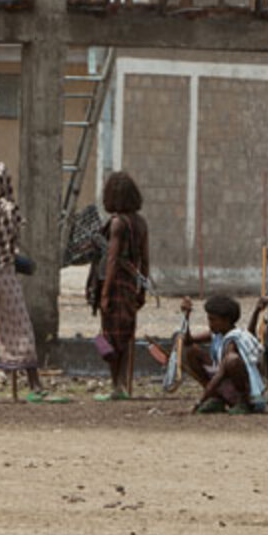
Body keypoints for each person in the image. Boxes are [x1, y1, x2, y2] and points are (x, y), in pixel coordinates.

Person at [0, 161, 54, 402]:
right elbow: (12, 242)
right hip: (3, 274)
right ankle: (34, 386)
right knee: (21, 325)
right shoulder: (8, 209)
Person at [95, 171, 150, 400]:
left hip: (116, 284)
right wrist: (142, 290)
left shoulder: (117, 224)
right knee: (126, 338)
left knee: (111, 337)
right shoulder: (140, 223)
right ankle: (124, 384)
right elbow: (145, 260)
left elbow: (112, 259)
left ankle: (116, 386)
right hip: (130, 285)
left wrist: (105, 293)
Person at [179, 295, 267, 414]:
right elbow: (188, 341)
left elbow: (219, 376)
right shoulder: (218, 334)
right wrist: (186, 315)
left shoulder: (233, 341)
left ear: (226, 321)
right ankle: (216, 399)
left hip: (245, 392)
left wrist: (198, 403)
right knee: (192, 351)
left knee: (231, 360)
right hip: (225, 385)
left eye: (213, 320)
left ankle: (243, 403)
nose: (210, 324)